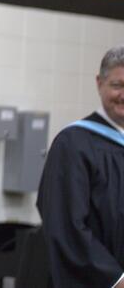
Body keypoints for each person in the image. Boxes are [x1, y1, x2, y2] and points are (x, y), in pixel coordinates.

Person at [38, 45, 124, 288]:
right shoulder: (73, 144)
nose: (123, 95)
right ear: (99, 83)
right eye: (117, 85)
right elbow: (65, 226)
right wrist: (116, 279)